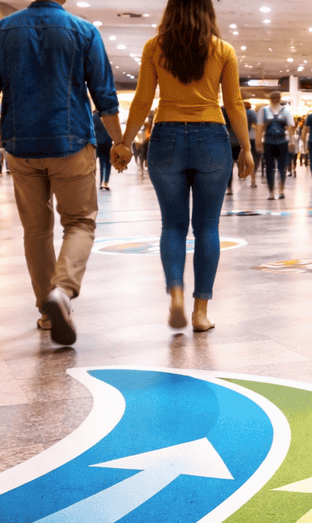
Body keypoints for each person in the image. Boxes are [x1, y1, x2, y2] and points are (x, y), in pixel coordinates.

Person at [0, 0, 128, 346]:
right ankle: (63, 291)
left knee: (36, 230)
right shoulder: (84, 31)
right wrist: (118, 141)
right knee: (80, 222)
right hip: (71, 141)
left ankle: (46, 308)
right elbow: (104, 94)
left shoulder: (0, 30)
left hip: (21, 145)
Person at [122, 0, 253, 332]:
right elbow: (233, 103)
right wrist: (247, 148)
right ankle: (200, 312)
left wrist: (124, 142)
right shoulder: (223, 50)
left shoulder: (155, 47)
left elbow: (142, 98)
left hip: (165, 136)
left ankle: (176, 294)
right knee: (207, 228)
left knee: (173, 226)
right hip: (211, 137)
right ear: (207, 11)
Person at [256, 91, 292, 199]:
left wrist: (258, 142)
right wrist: (292, 142)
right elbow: (290, 127)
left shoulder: (266, 110)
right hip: (278, 142)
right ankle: (278, 190)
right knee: (279, 167)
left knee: (272, 167)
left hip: (272, 142)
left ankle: (274, 191)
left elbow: (260, 127)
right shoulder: (284, 110)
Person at [94, 105, 114, 191]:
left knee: (101, 162)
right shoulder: (108, 116)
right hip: (107, 141)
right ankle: (105, 182)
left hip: (98, 142)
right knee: (108, 163)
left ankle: (101, 181)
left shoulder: (94, 117)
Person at [244, 100, 260, 187]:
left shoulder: (240, 113)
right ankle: (253, 177)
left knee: (248, 158)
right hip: (254, 138)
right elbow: (257, 125)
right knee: (256, 158)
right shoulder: (252, 112)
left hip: (244, 139)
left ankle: (251, 176)